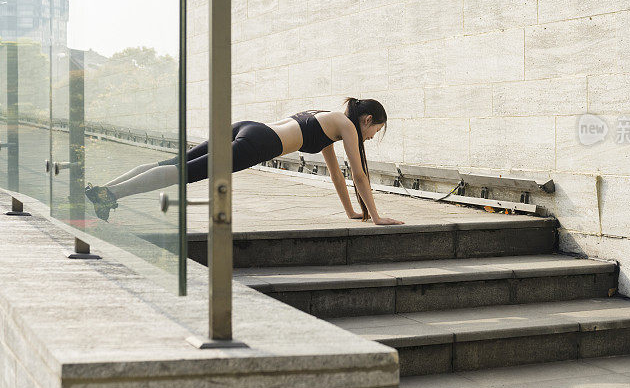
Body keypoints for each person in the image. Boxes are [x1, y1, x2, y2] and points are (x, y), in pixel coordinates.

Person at [84, 97, 404, 226]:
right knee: (183, 173)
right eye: (376, 130)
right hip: (259, 143)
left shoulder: (329, 119)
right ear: (367, 119)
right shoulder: (347, 127)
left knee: (175, 163)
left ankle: (102, 190)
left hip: (249, 127)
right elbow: (359, 175)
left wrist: (351, 211)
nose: (373, 136)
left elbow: (337, 176)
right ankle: (110, 196)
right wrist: (376, 217)